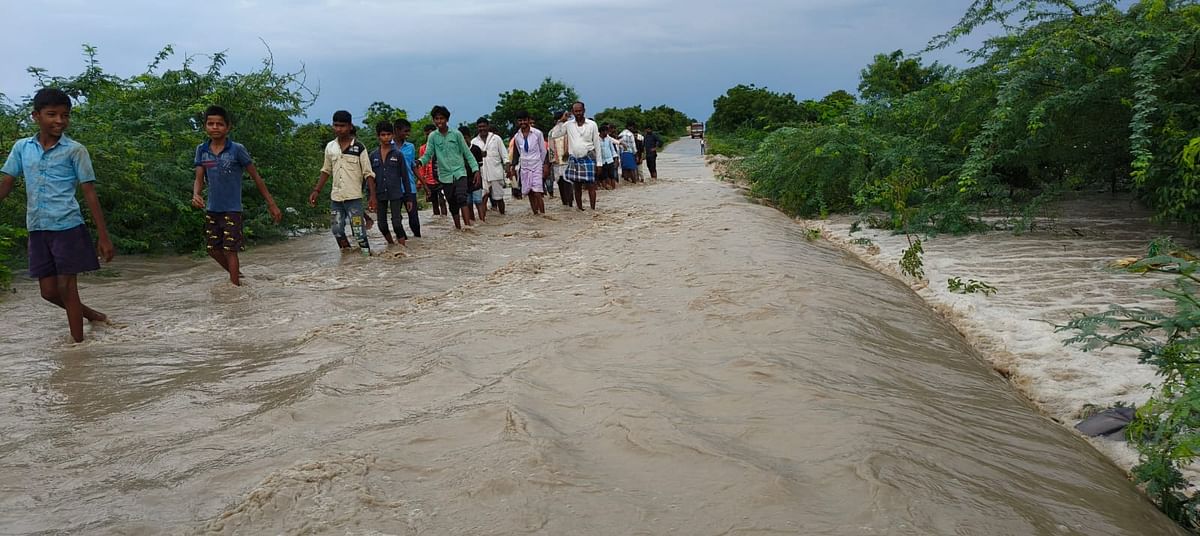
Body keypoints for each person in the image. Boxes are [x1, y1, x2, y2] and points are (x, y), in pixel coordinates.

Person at [0, 88, 115, 342]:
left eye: (65, 115)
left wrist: (103, 236)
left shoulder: (75, 150)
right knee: (48, 292)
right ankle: (93, 316)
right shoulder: (22, 148)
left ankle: (77, 350)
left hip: (68, 227)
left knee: (66, 287)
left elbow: (89, 193)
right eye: (52, 114)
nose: (59, 121)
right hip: (38, 228)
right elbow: (7, 182)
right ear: (36, 116)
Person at [191, 105, 283, 286]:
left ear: (228, 127)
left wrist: (271, 204)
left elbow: (256, 177)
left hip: (232, 209)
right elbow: (199, 177)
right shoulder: (202, 150)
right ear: (205, 127)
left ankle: (235, 289)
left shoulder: (236, 149)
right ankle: (238, 276)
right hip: (212, 208)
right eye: (211, 124)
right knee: (212, 249)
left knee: (230, 250)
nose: (215, 127)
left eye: (219, 124)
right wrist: (196, 194)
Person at [308, 110, 376, 253]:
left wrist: (372, 196)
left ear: (350, 126)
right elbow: (326, 170)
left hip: (354, 198)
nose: (339, 129)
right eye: (336, 125)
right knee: (337, 230)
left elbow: (368, 173)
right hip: (336, 198)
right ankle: (347, 259)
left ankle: (366, 258)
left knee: (358, 232)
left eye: (342, 126)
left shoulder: (359, 147)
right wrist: (316, 190)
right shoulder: (330, 147)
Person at [415, 106, 480, 230]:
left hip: (460, 172)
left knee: (462, 198)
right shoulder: (433, 136)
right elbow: (428, 154)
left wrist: (475, 169)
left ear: (447, 119)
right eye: (437, 119)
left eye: (442, 118)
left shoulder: (456, 134)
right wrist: (419, 162)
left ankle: (467, 228)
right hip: (444, 176)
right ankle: (458, 228)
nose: (439, 121)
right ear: (434, 120)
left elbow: (467, 153)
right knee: (452, 202)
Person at [368, 120, 410, 245]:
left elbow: (405, 177)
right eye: (383, 135)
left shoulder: (398, 154)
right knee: (381, 224)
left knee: (397, 223)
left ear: (392, 135)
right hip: (380, 194)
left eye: (388, 134)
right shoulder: (373, 155)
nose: (386, 137)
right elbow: (369, 178)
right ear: (378, 136)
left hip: (396, 194)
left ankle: (402, 248)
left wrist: (408, 197)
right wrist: (370, 196)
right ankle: (391, 245)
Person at [565, 101, 602, 210]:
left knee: (591, 185)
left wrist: (599, 163)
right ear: (572, 112)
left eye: (580, 111)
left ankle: (593, 209)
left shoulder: (592, 124)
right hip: (574, 158)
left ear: (584, 111)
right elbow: (555, 134)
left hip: (589, 157)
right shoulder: (568, 125)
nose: (578, 113)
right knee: (576, 186)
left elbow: (597, 144)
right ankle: (580, 209)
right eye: (575, 111)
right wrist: (562, 120)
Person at [509, 110, 547, 214]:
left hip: (536, 166)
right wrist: (513, 166)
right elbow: (518, 152)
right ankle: (535, 213)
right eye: (520, 121)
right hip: (525, 167)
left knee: (537, 191)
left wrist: (543, 165)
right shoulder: (517, 137)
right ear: (518, 122)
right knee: (529, 192)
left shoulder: (537, 134)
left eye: (525, 120)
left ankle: (543, 215)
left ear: (529, 120)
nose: (523, 123)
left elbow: (543, 151)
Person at [471, 117, 509, 217]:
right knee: (483, 198)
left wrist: (508, 167)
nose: (482, 129)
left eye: (484, 126)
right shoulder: (474, 142)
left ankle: (503, 216)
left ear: (488, 126)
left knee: (499, 198)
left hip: (496, 172)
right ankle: (483, 221)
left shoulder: (496, 139)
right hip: (482, 173)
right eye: (479, 127)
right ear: (477, 128)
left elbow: (505, 155)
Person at [393, 118, 421, 237]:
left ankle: (418, 241)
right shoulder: (388, 146)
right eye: (405, 131)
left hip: (409, 187)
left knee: (414, 219)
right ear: (397, 130)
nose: (407, 134)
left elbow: (413, 166)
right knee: (396, 219)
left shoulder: (410, 147)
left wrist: (423, 183)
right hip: (394, 188)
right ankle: (402, 241)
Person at [417, 124, 447, 217]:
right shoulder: (423, 148)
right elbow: (421, 165)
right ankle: (437, 221)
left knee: (442, 201)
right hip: (429, 179)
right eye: (427, 135)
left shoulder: (443, 146)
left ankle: (445, 219)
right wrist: (420, 181)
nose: (428, 137)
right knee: (434, 202)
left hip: (442, 177)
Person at [547, 110, 572, 206]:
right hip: (562, 159)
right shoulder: (563, 128)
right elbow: (551, 147)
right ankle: (568, 203)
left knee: (563, 181)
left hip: (562, 159)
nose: (567, 117)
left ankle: (566, 203)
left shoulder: (552, 131)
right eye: (565, 115)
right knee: (566, 181)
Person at [598, 123, 620, 190]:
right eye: (605, 131)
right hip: (601, 161)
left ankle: (613, 188)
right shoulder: (597, 139)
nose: (607, 133)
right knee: (603, 176)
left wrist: (616, 159)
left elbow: (612, 150)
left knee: (612, 176)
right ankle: (606, 188)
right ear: (602, 131)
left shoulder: (608, 139)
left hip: (610, 160)